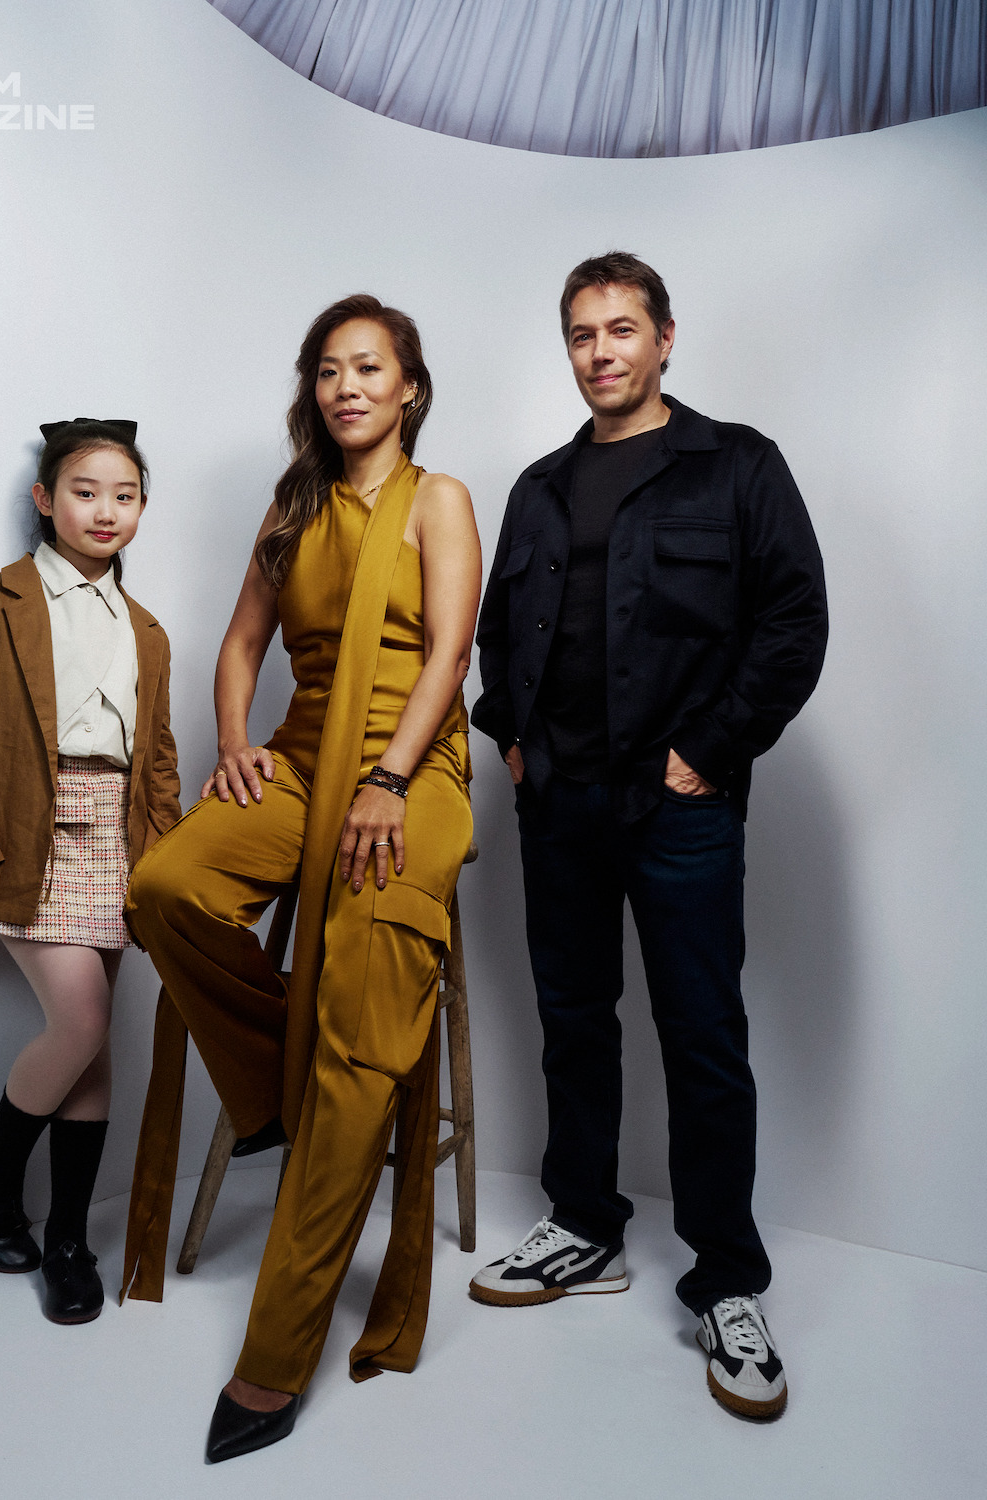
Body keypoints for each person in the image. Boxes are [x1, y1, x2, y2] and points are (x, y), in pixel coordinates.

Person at [121, 295, 480, 1461]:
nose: (346, 387)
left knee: (364, 1010)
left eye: (369, 367)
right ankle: (280, 1088)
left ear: (409, 388)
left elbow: (453, 652)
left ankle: (276, 1356)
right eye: (328, 369)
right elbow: (239, 646)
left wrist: (387, 776)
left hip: (410, 765)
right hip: (300, 750)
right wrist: (235, 739)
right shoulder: (294, 505)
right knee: (166, 888)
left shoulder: (440, 501)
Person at [470, 252, 827, 1420]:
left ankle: (727, 1281)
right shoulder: (536, 485)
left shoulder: (737, 467)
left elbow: (792, 622)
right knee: (573, 1024)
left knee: (703, 1039)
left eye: (622, 329)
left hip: (679, 807)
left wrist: (707, 754)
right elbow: (496, 633)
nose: (601, 351)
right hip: (557, 803)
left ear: (665, 338)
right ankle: (584, 1226)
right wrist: (508, 736)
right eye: (581, 334)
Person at [0, 418, 180, 1325]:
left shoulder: (147, 630)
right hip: (28, 834)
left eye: (125, 495)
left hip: (118, 838)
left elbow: (159, 763)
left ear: (142, 508)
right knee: (84, 1019)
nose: (105, 510)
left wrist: (167, 868)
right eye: (85, 491)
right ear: (45, 500)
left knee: (94, 1047)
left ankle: (68, 1241)